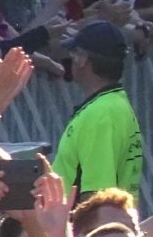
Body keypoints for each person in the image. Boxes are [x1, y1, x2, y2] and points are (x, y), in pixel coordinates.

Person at [53, 21, 143, 200]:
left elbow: (98, 196)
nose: (69, 58)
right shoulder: (115, 104)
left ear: (82, 59)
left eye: (73, 53)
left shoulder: (99, 115)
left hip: (82, 225)